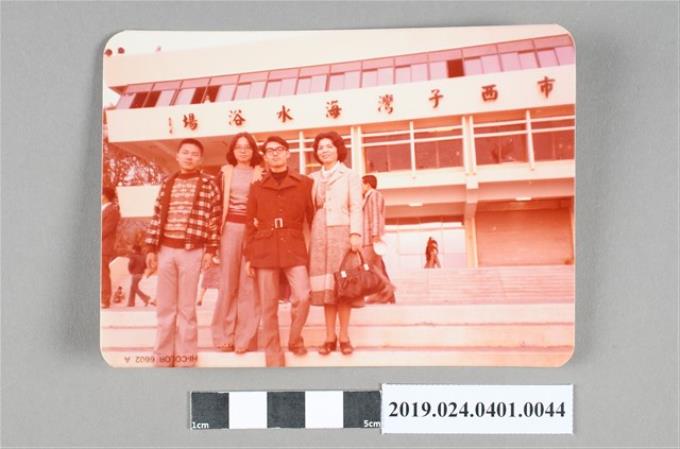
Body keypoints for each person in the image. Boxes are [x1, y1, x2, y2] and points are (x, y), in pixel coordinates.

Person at [144, 138, 221, 368]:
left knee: (187, 308)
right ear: (177, 156)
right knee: (165, 307)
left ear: (201, 159)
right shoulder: (168, 182)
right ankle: (163, 358)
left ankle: (186, 359)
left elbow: (214, 219)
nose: (189, 157)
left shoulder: (209, 184)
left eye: (194, 154)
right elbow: (157, 216)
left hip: (192, 251)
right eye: (185, 152)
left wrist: (211, 249)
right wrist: (151, 248)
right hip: (165, 250)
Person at [244, 135, 314, 367]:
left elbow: (312, 218)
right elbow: (249, 223)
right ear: (264, 157)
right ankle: (273, 354)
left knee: (303, 296)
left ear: (288, 153)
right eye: (270, 150)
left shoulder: (304, 183)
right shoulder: (256, 187)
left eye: (279, 149)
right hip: (264, 247)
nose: (274, 153)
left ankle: (295, 339)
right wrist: (249, 256)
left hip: (294, 246)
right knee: (268, 305)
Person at [308, 131, 363, 356]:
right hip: (319, 234)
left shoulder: (350, 175)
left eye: (329, 146)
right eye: (320, 147)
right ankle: (329, 337)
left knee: (343, 288)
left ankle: (345, 337)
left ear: (338, 149)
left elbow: (356, 206)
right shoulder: (312, 177)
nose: (324, 150)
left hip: (342, 232)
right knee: (327, 290)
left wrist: (355, 233)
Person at [211, 132, 264, 353]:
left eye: (247, 147)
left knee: (249, 285)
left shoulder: (262, 173)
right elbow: (215, 206)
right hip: (229, 230)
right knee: (228, 284)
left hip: (253, 231)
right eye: (238, 147)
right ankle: (224, 336)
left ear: (253, 151)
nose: (243, 151)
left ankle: (246, 338)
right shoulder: (224, 173)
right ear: (232, 151)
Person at [361, 175, 396, 304]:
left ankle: (387, 288)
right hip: (369, 238)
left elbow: (376, 216)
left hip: (370, 238)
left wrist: (375, 235)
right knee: (377, 267)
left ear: (367, 184)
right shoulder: (368, 197)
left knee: (369, 266)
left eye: (361, 184)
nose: (359, 187)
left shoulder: (374, 195)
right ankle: (386, 294)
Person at [101, 186, 120, 309]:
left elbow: (106, 230)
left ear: (105, 196)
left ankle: (105, 299)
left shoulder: (112, 211)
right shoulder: (102, 209)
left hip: (104, 247)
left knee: (103, 273)